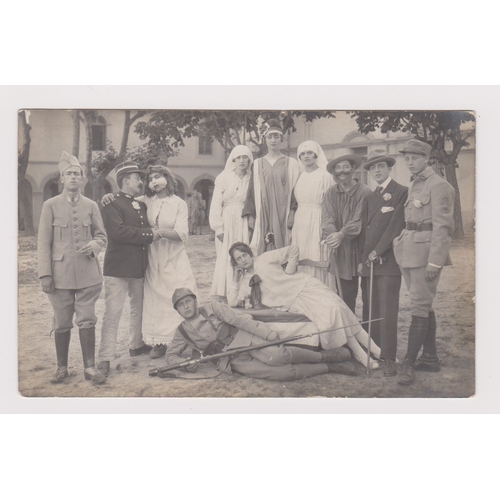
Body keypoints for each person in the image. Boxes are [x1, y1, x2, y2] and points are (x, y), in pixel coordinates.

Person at [227, 242, 381, 369]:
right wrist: (235, 278)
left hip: (306, 286)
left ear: (249, 253)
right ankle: (365, 355)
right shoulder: (245, 282)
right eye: (239, 259)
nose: (243, 260)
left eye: (244, 255)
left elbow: (293, 249)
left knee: (338, 309)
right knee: (333, 316)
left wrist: (289, 271)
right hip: (296, 302)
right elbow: (233, 301)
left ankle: (374, 352)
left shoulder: (265, 258)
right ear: (236, 264)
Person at [167, 288, 358, 380]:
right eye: (180, 306)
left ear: (194, 301)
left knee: (279, 356)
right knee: (284, 373)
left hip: (244, 338)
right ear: (177, 311)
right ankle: (328, 367)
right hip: (229, 359)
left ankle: (324, 356)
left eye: (188, 302)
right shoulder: (182, 331)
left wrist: (267, 334)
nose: (186, 307)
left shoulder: (212, 308)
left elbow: (241, 320)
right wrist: (185, 366)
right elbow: (171, 355)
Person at [38, 151, 107, 384]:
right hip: (60, 276)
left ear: (82, 179)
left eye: (77, 174)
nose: (74, 178)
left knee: (87, 319)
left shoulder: (91, 205)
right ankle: (62, 368)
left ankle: (90, 367)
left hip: (88, 274)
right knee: (62, 321)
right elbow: (43, 243)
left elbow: (101, 236)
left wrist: (95, 245)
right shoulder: (50, 206)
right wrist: (45, 274)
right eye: (69, 174)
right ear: (62, 179)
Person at [393, 139, 455, 385]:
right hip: (409, 250)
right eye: (407, 158)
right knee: (424, 305)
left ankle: (409, 362)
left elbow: (444, 228)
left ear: (426, 159)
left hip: (425, 256)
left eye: (414, 158)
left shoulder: (440, 186)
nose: (410, 162)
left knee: (419, 306)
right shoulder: (416, 183)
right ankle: (429, 358)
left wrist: (436, 263)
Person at [98, 161, 161, 376]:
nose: (141, 182)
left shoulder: (140, 204)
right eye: (137, 178)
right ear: (126, 180)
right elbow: (119, 232)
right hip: (117, 268)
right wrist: (149, 234)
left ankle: (135, 345)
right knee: (113, 313)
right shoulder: (111, 202)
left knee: (138, 308)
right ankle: (105, 358)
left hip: (137, 266)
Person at [358, 149, 408, 377]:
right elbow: (365, 233)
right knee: (370, 309)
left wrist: (378, 251)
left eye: (381, 166)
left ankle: (388, 357)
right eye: (372, 168)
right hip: (369, 264)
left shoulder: (401, 192)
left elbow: (395, 226)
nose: (376, 171)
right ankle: (373, 352)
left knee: (387, 310)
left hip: (387, 262)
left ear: (389, 168)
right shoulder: (370, 196)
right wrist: (364, 258)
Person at [140, 165, 198, 356]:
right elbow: (124, 202)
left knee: (177, 293)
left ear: (167, 178)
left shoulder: (178, 203)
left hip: (173, 255)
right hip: (153, 255)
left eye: (157, 177)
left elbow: (182, 234)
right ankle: (159, 342)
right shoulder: (146, 201)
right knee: (156, 298)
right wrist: (110, 197)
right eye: (150, 179)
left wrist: (160, 232)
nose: (154, 182)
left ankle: (182, 340)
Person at [242, 119, 301, 255]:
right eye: (269, 136)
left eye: (276, 136)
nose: (273, 140)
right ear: (264, 139)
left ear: (281, 138)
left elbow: (295, 190)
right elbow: (251, 191)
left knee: (284, 243)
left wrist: (292, 211)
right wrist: (251, 214)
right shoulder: (257, 164)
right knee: (262, 243)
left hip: (283, 211)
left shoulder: (292, 164)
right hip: (264, 210)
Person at [321, 154, 371, 312]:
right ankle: (349, 331)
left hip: (362, 247)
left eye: (345, 167)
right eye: (338, 168)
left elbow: (358, 220)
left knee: (368, 295)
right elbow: (327, 218)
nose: (341, 171)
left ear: (353, 169)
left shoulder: (365, 192)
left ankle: (367, 332)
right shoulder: (330, 193)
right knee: (345, 295)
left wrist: (342, 234)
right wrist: (333, 235)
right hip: (342, 250)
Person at [209, 145, 253, 299]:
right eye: (238, 158)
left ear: (249, 160)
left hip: (244, 218)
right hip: (227, 219)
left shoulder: (252, 178)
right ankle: (227, 290)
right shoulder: (223, 178)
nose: (242, 161)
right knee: (226, 255)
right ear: (233, 160)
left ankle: (245, 292)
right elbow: (216, 203)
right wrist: (218, 228)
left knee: (245, 252)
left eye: (245, 157)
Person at [288, 140, 335, 286]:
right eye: (303, 154)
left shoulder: (325, 176)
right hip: (300, 219)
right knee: (300, 253)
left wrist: (325, 225)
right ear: (299, 157)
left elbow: (329, 203)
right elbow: (294, 201)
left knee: (316, 252)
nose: (306, 156)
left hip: (317, 217)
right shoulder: (298, 176)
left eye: (309, 153)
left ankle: (319, 289)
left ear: (316, 155)